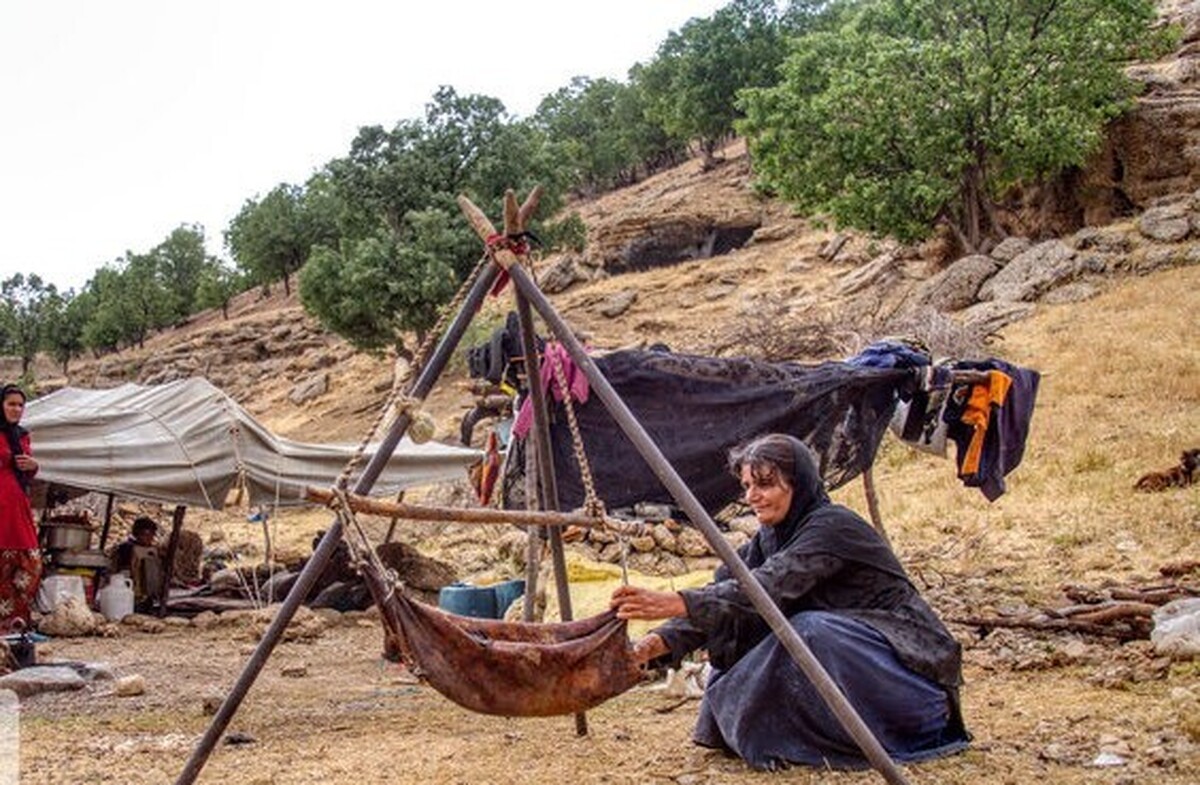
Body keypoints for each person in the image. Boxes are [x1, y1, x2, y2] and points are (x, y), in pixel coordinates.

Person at [610, 433, 969, 771]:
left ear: (799, 485)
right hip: (853, 680)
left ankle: (846, 738)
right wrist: (653, 645)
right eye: (748, 486)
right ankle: (795, 739)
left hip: (913, 690)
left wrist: (678, 601)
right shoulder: (770, 538)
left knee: (808, 630)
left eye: (765, 484)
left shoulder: (834, 527)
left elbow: (766, 588)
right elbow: (730, 591)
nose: (752, 496)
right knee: (745, 630)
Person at [0, 384, 40, 633]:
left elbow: (27, 472)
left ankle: (15, 624)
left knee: (30, 565)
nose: (16, 409)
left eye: (20, 405)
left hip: (18, 507)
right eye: (10, 404)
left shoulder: (21, 435)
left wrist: (33, 465)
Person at [112, 516, 163, 611]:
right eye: (145, 535)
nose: (149, 538)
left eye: (152, 535)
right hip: (132, 591)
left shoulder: (153, 550)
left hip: (149, 592)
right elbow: (124, 571)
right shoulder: (127, 548)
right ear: (137, 534)